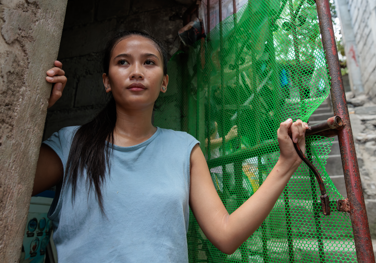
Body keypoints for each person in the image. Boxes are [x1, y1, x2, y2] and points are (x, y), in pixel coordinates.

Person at [34, 30, 308, 262]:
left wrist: (286, 165)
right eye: (123, 62)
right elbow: (1, 184)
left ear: (164, 83)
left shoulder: (184, 149)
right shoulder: (71, 144)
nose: (137, 72)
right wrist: (33, 109)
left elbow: (226, 236)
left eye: (149, 62)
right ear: (106, 81)